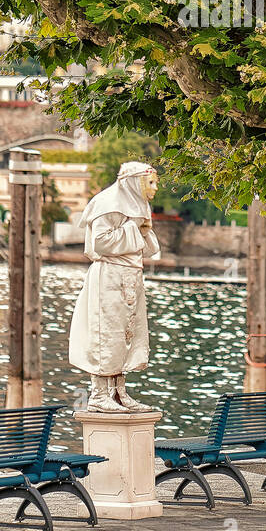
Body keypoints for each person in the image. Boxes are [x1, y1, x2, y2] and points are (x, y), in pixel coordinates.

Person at [68, 161, 160, 412]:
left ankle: (118, 391)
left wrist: (142, 230)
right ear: (134, 182)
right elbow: (100, 243)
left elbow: (147, 247)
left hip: (131, 276)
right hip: (109, 276)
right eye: (150, 183)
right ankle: (99, 394)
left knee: (128, 334)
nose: (154, 190)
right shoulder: (107, 203)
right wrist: (134, 229)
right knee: (106, 333)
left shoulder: (139, 205)